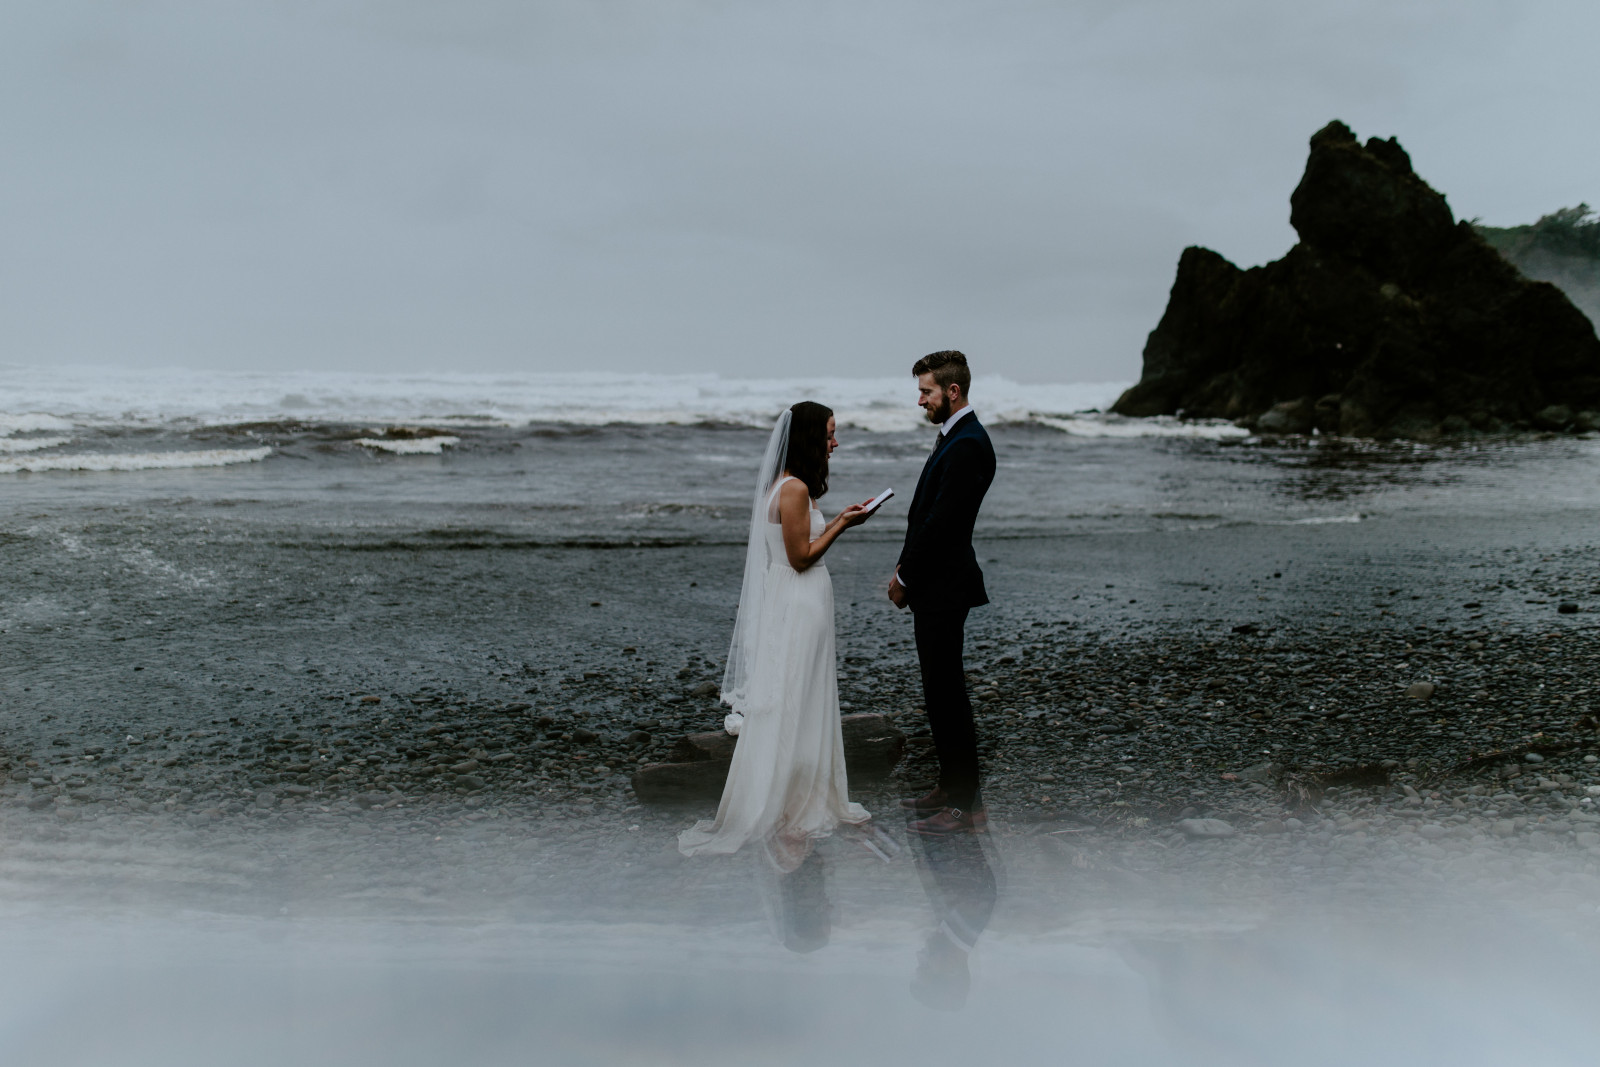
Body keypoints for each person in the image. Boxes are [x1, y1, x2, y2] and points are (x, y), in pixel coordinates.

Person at [679, 401, 876, 870]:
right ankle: (793, 800)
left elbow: (796, 550)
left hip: (798, 601)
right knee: (797, 696)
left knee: (800, 692)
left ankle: (798, 785)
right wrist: (844, 525)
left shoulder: (786, 487)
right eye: (829, 433)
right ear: (810, 436)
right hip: (801, 600)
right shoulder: (794, 489)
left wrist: (833, 520)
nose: (835, 441)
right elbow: (801, 557)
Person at [888, 351, 997, 835]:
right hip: (937, 583)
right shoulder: (956, 437)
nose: (920, 400)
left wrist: (905, 577)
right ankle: (949, 788)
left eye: (926, 391)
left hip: (943, 586)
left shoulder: (969, 444)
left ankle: (965, 807)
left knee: (948, 696)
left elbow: (942, 525)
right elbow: (929, 517)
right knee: (938, 693)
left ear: (952, 392)